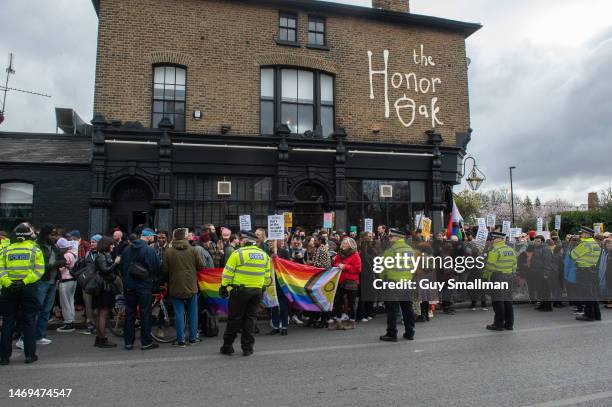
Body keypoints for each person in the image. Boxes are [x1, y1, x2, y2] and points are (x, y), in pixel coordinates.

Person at [219, 231, 271, 356]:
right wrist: (261, 287)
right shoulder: (264, 255)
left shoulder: (238, 253)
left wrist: (224, 287)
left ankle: (227, 346)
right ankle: (247, 348)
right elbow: (267, 277)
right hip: (257, 291)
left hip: (239, 291)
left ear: (244, 241)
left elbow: (227, 273)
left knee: (234, 319)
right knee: (250, 319)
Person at [0, 223, 45, 365]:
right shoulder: (34, 249)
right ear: (29, 236)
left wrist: (9, 283)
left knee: (7, 322)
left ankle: (4, 357)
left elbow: (1, 269)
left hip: (9, 289)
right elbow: (39, 270)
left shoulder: (5, 250)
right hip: (28, 288)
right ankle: (30, 356)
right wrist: (24, 282)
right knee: (29, 321)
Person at [120, 228, 161, 350]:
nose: (154, 239)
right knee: (145, 313)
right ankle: (146, 341)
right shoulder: (149, 250)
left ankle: (128, 342)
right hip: (144, 286)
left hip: (129, 286)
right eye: (153, 237)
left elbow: (122, 266)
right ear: (148, 237)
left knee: (130, 313)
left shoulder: (127, 249)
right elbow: (156, 267)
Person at [163, 228, 205, 347]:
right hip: (191, 285)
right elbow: (201, 266)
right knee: (193, 313)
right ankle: (192, 338)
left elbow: (164, 270)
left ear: (174, 237)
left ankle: (180, 340)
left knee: (178, 313)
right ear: (185, 237)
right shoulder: (193, 250)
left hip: (175, 285)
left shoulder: (169, 251)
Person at [379, 229, 417, 342]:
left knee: (392, 309)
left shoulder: (390, 250)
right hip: (407, 282)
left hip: (394, 283)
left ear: (397, 238)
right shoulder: (410, 250)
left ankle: (392, 333)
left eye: (391, 237)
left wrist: (383, 280)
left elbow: (383, 269)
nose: (389, 239)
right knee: (407, 308)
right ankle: (410, 333)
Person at [33, 224, 62, 347]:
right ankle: (26, 337)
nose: (54, 237)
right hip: (41, 281)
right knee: (36, 310)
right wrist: (53, 265)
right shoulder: (36, 246)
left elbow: (60, 258)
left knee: (46, 311)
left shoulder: (53, 246)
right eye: (52, 234)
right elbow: (35, 265)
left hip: (52, 281)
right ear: (45, 234)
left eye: (55, 234)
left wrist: (62, 262)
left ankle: (40, 336)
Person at [483, 232, 517, 331]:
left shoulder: (495, 250)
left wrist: (485, 277)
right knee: (507, 300)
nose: (492, 241)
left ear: (498, 239)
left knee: (498, 301)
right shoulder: (510, 249)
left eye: (493, 239)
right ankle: (509, 324)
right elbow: (514, 265)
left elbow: (490, 266)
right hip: (509, 277)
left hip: (497, 277)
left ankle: (498, 324)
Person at [91, 236, 120, 348]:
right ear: (106, 245)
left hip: (102, 287)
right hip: (104, 288)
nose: (112, 246)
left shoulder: (101, 255)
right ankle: (102, 339)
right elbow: (105, 270)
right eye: (111, 244)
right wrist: (116, 263)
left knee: (100, 313)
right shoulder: (102, 256)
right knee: (103, 313)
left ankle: (99, 338)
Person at [329, 237, 362, 330]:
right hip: (340, 281)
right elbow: (335, 264)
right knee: (338, 302)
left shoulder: (355, 255)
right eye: (343, 243)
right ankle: (338, 321)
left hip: (351, 282)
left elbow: (358, 269)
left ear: (350, 245)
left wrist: (345, 267)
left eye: (345, 244)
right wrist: (338, 265)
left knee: (351, 303)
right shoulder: (340, 254)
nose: (343, 245)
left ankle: (351, 321)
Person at [572, 226, 602, 322]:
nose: (581, 235)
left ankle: (589, 315)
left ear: (587, 234)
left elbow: (572, 255)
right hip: (592, 270)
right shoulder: (595, 244)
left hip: (584, 271)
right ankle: (597, 314)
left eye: (582, 233)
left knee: (586, 294)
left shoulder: (585, 244)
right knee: (592, 293)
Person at [56, 238, 78, 332]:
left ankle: (68, 323)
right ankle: (71, 320)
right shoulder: (73, 254)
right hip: (73, 280)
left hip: (65, 280)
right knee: (70, 301)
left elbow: (61, 269)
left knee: (65, 303)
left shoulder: (65, 255)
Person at [531, 235, 554, 312]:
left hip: (543, 272)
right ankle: (542, 304)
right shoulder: (536, 248)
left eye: (538, 241)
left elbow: (548, 263)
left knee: (545, 290)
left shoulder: (545, 249)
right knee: (540, 290)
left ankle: (547, 307)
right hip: (537, 272)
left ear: (542, 242)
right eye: (535, 241)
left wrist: (546, 273)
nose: (536, 242)